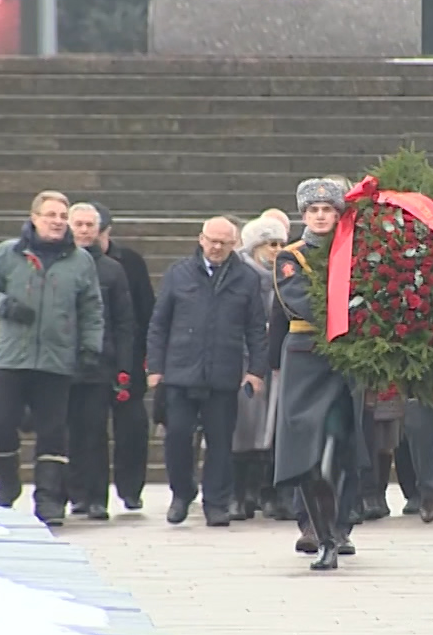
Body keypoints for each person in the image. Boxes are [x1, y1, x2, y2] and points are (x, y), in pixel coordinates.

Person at [0, 191, 105, 525]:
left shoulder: (80, 261)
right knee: (0, 425)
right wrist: (4, 305)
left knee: (53, 432)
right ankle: (7, 484)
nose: (58, 222)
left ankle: (48, 499)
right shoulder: (8, 254)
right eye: (51, 215)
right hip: (12, 358)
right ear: (34, 217)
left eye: (63, 216)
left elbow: (92, 308)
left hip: (56, 360)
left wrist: (90, 347)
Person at [147, 216, 269, 527]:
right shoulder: (179, 274)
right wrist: (155, 368)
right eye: (211, 240)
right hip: (180, 372)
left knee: (220, 441)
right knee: (176, 437)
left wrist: (255, 370)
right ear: (201, 239)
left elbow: (256, 328)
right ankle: (181, 493)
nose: (216, 247)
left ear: (234, 245)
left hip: (223, 374)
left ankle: (216, 502)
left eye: (223, 243)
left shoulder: (246, 278)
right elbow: (159, 324)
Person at [273, 178, 362, 570]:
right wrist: (353, 309)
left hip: (344, 359)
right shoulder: (291, 256)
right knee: (306, 451)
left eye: (328, 210)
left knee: (339, 449)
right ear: (303, 214)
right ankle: (318, 532)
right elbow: (302, 301)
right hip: (306, 356)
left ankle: (338, 527)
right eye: (314, 210)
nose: (321, 216)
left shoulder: (357, 252)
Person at [63, 203, 134, 521]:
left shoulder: (111, 269)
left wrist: (123, 365)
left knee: (94, 432)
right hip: (60, 362)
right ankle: (73, 493)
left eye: (90, 225)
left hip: (98, 363)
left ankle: (96, 497)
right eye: (78, 224)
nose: (84, 230)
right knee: (66, 432)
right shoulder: (58, 265)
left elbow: (123, 321)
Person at [90, 203, 153, 510]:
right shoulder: (78, 263)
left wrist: (141, 358)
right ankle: (90, 495)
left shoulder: (130, 262)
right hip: (93, 360)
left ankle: (130, 489)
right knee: (90, 430)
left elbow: (145, 311)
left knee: (132, 430)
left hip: (128, 358)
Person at [231, 214, 287, 521]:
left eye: (280, 243)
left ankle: (269, 492)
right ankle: (240, 493)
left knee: (272, 428)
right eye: (270, 244)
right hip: (244, 361)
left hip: (276, 361)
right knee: (244, 428)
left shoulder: (285, 276)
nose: (277, 250)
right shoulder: (240, 276)